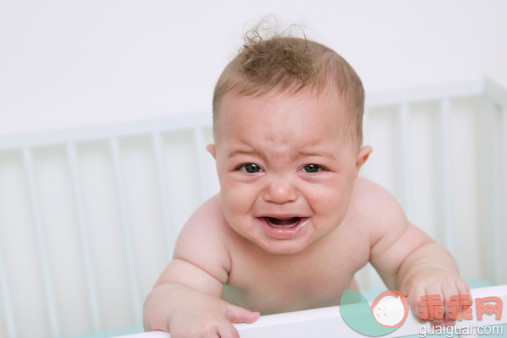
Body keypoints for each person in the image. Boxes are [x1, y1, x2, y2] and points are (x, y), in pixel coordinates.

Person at [143, 23, 469, 337]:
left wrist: (427, 274)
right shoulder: (211, 233)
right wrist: (186, 308)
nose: (280, 192)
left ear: (357, 167)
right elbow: (166, 296)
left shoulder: (370, 212)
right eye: (251, 167)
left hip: (341, 329)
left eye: (311, 168)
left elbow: (415, 255)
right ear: (217, 163)